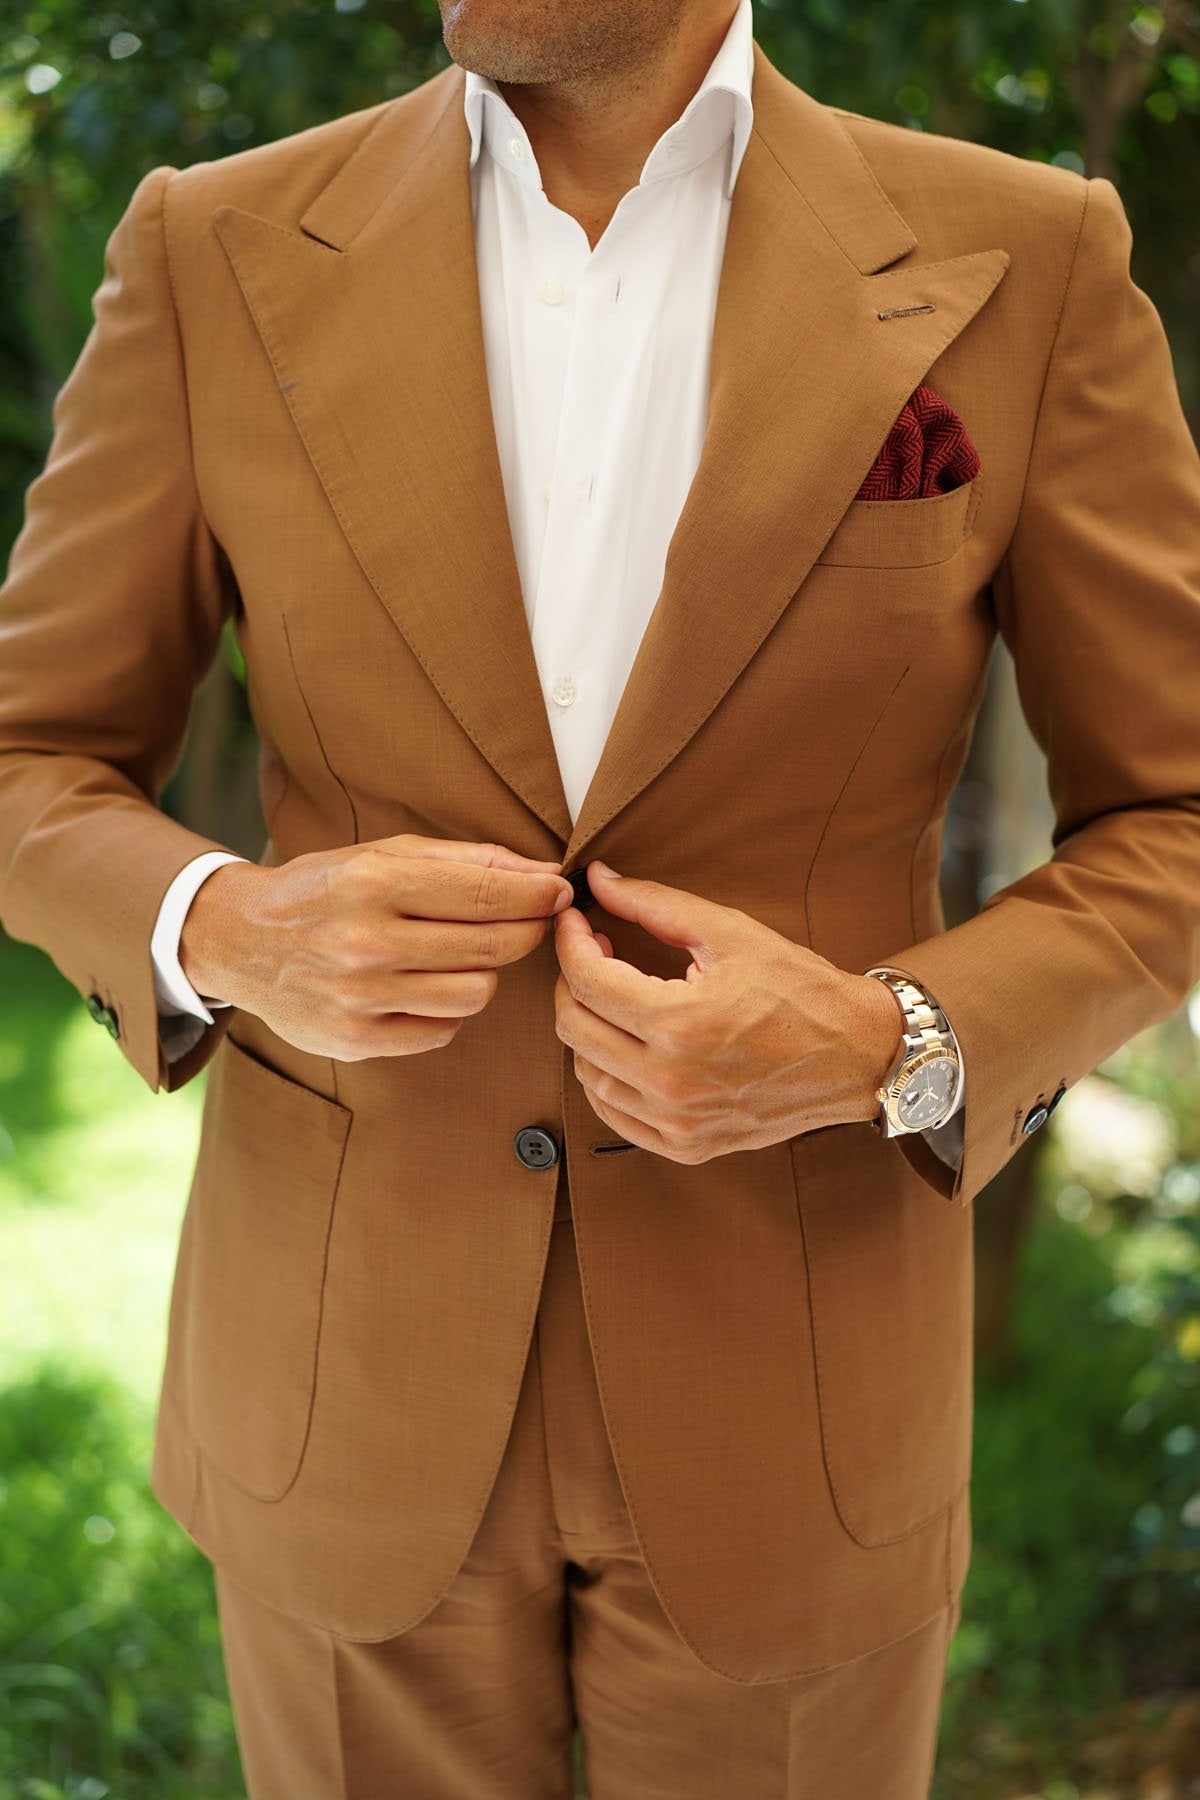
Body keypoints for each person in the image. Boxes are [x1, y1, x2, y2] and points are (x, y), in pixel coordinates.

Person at [2, 0, 1199, 1792]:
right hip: (347, 1372)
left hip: (801, 1394)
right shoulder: (209, 244)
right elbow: (32, 755)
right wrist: (224, 928)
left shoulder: (1022, 256)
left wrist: (900, 1037)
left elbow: (1172, 810)